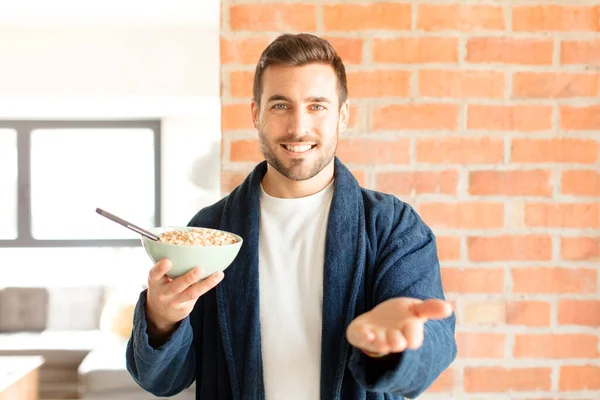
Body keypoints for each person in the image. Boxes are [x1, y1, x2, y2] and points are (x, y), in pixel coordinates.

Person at [126, 33, 457, 400]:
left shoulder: (394, 226)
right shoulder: (210, 230)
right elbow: (162, 381)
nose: (298, 127)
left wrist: (393, 341)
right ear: (256, 114)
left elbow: (433, 347)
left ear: (342, 115)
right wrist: (161, 318)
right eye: (281, 105)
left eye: (317, 106)